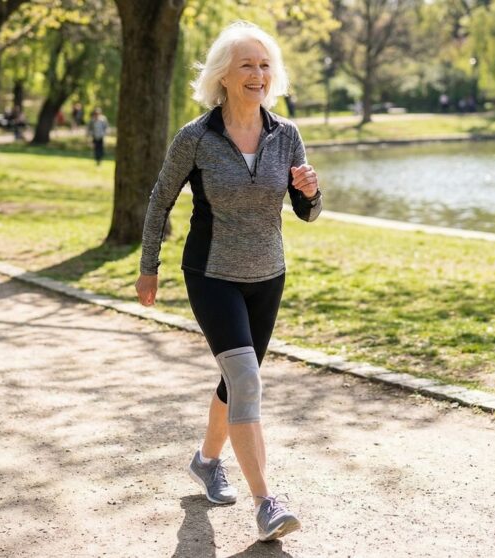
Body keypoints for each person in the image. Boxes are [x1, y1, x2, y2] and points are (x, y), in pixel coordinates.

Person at [135, 21, 321, 543]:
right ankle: (267, 503)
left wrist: (310, 190)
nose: (257, 74)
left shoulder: (286, 135)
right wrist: (149, 266)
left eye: (264, 65)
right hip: (211, 273)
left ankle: (206, 459)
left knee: (235, 381)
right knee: (245, 381)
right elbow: (159, 201)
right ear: (223, 75)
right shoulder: (195, 138)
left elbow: (307, 211)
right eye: (246, 64)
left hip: (269, 274)